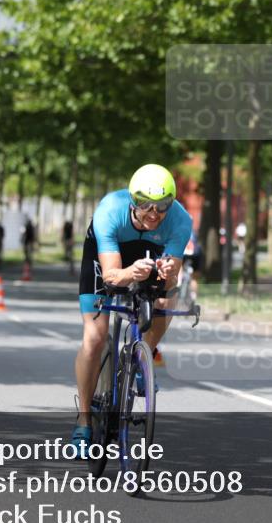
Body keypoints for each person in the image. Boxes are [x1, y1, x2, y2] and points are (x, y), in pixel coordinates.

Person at [70, 164, 192, 455]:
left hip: (149, 255)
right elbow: (111, 276)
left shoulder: (180, 220)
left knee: (166, 299)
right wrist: (131, 272)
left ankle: (143, 356)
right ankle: (84, 421)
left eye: (162, 206)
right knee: (95, 338)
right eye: (144, 204)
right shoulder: (109, 211)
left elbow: (173, 278)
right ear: (131, 200)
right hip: (108, 259)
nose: (153, 212)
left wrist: (167, 272)